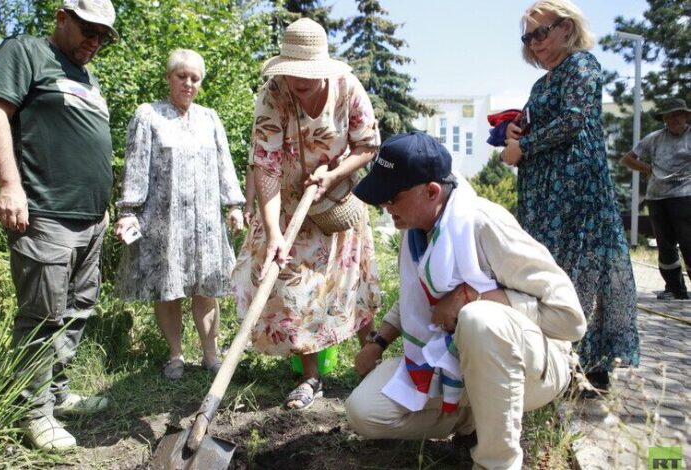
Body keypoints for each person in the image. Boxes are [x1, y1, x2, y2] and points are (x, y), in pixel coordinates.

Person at [345, 131, 587, 470]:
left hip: (537, 369)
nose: (384, 207)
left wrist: (471, 296)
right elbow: (416, 299)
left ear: (431, 191)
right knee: (366, 411)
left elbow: (569, 319)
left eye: (391, 198)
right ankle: (474, 419)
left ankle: (495, 462)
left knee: (478, 320)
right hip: (455, 364)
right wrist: (378, 341)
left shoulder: (483, 224)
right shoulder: (415, 229)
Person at [0, 0, 118, 451]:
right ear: (62, 18)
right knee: (42, 316)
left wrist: (105, 203)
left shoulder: (87, 77)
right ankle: (32, 413)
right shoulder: (25, 52)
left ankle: (56, 395)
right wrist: (9, 186)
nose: (94, 42)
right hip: (44, 212)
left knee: (78, 310)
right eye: (88, 30)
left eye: (103, 37)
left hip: (91, 217)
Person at [231, 18, 381, 410]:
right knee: (292, 286)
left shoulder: (348, 87)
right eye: (293, 72)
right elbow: (265, 164)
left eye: (308, 74)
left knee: (351, 283)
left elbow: (368, 146)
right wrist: (273, 231)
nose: (300, 81)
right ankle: (310, 377)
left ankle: (373, 364)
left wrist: (332, 174)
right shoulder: (274, 93)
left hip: (335, 201)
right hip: (285, 203)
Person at [500, 0, 639, 393]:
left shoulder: (582, 64)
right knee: (549, 269)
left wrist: (523, 149)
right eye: (528, 37)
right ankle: (556, 361)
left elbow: (574, 120)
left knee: (581, 271)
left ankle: (588, 365)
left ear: (566, 27)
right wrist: (514, 134)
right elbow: (528, 124)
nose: (535, 43)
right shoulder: (541, 83)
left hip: (577, 187)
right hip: (543, 192)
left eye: (541, 32)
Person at [114, 49, 245, 380]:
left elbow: (223, 164)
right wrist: (129, 210)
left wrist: (234, 205)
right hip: (164, 222)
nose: (188, 83)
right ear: (169, 77)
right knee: (168, 289)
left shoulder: (209, 118)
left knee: (207, 288)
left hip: (206, 224)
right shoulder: (149, 116)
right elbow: (136, 165)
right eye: (181, 76)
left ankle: (211, 354)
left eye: (195, 78)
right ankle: (175, 356)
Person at [621, 98, 691, 300]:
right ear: (664, 119)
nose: (673, 119)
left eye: (677, 114)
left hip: (686, 196)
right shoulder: (655, 138)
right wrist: (647, 169)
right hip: (657, 197)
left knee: (688, 243)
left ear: (685, 115)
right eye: (669, 116)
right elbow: (628, 158)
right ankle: (674, 288)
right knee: (665, 244)